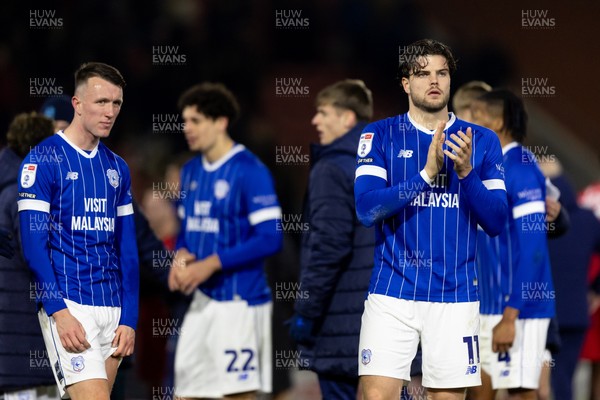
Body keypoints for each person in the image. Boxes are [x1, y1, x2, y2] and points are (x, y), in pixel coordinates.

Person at [354, 38, 508, 400]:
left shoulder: (482, 141)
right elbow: (366, 210)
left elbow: (497, 221)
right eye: (422, 74)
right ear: (406, 83)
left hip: (455, 296)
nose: (434, 80)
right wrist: (425, 174)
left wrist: (467, 173)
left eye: (442, 72)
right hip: (393, 292)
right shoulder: (379, 135)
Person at [17, 62, 139, 400]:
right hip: (72, 304)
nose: (110, 112)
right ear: (77, 103)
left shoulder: (118, 168)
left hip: (113, 310)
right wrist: (58, 311)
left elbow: (127, 250)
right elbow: (34, 247)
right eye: (101, 102)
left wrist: (129, 318)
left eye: (116, 103)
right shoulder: (42, 160)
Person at [168, 82, 283, 399]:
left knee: (236, 396)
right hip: (202, 302)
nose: (186, 128)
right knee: (185, 394)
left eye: (195, 121)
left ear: (220, 122)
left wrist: (210, 264)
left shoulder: (250, 171)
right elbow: (188, 230)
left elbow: (270, 238)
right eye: (185, 121)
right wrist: (180, 257)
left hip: (240, 302)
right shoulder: (190, 171)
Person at [287, 79, 375, 398]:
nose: (315, 121)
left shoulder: (331, 168)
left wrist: (305, 312)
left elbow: (328, 248)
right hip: (388, 322)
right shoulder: (390, 165)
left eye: (323, 112)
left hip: (342, 327)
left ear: (347, 118)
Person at [468, 89, 555, 400]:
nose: (469, 124)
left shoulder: (520, 167)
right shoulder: (491, 166)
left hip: (518, 308)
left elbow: (533, 248)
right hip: (488, 303)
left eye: (475, 117)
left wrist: (510, 315)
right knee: (480, 391)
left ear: (497, 122)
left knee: (520, 393)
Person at [0, 112, 58, 399]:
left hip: (14, 350)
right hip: (26, 349)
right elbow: (35, 256)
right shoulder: (23, 195)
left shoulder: (7, 189)